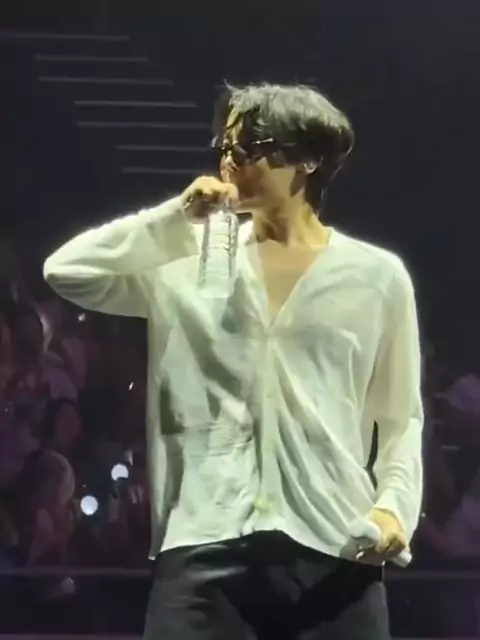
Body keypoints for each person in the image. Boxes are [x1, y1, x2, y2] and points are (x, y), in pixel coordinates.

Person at [43, 83, 423, 640]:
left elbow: (399, 418)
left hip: (336, 547)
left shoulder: (376, 277)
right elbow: (66, 271)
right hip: (204, 546)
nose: (228, 161)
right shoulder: (181, 258)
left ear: (307, 159)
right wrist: (175, 218)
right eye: (224, 146)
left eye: (247, 148)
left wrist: (393, 508)